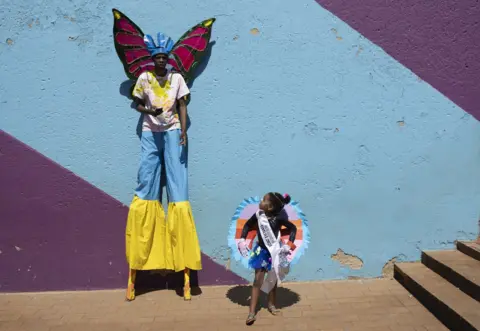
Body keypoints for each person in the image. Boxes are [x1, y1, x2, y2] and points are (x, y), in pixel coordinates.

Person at [125, 32, 202, 301]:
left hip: (172, 131)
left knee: (178, 188)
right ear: (152, 58)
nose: (160, 60)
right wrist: (150, 112)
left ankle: (184, 274)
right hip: (150, 131)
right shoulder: (144, 78)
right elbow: (136, 104)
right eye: (156, 57)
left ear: (168, 58)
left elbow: (182, 104)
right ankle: (139, 265)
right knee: (146, 185)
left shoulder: (177, 78)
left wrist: (183, 131)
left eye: (164, 57)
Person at [238, 192, 297, 325]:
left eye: (264, 200)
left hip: (274, 252)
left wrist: (289, 244)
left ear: (269, 207)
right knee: (257, 281)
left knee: (272, 281)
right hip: (261, 252)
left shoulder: (278, 220)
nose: (260, 200)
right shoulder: (258, 215)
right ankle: (252, 312)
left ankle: (271, 305)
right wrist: (242, 239)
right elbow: (247, 225)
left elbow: (293, 228)